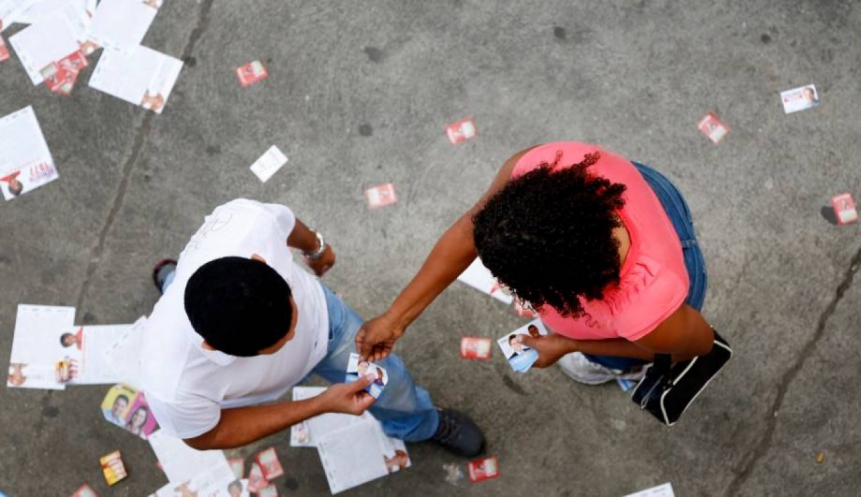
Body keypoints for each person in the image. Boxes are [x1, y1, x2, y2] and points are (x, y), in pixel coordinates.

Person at [140, 199, 484, 455]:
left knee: (391, 385)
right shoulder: (171, 386)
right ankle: (175, 282)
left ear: (260, 261)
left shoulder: (246, 225)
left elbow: (283, 221)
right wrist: (319, 404)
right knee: (182, 293)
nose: (294, 333)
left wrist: (316, 247)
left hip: (329, 326)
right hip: (253, 385)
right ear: (213, 348)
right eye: (277, 340)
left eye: (289, 310)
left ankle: (419, 424)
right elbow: (207, 434)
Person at [357, 142, 715, 386]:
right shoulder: (543, 166)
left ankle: (619, 370)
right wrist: (395, 318)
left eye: (528, 290)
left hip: (668, 294)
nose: (522, 297)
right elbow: (471, 230)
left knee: (625, 357)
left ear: (568, 285)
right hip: (649, 193)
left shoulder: (644, 311)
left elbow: (693, 343)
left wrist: (569, 345)